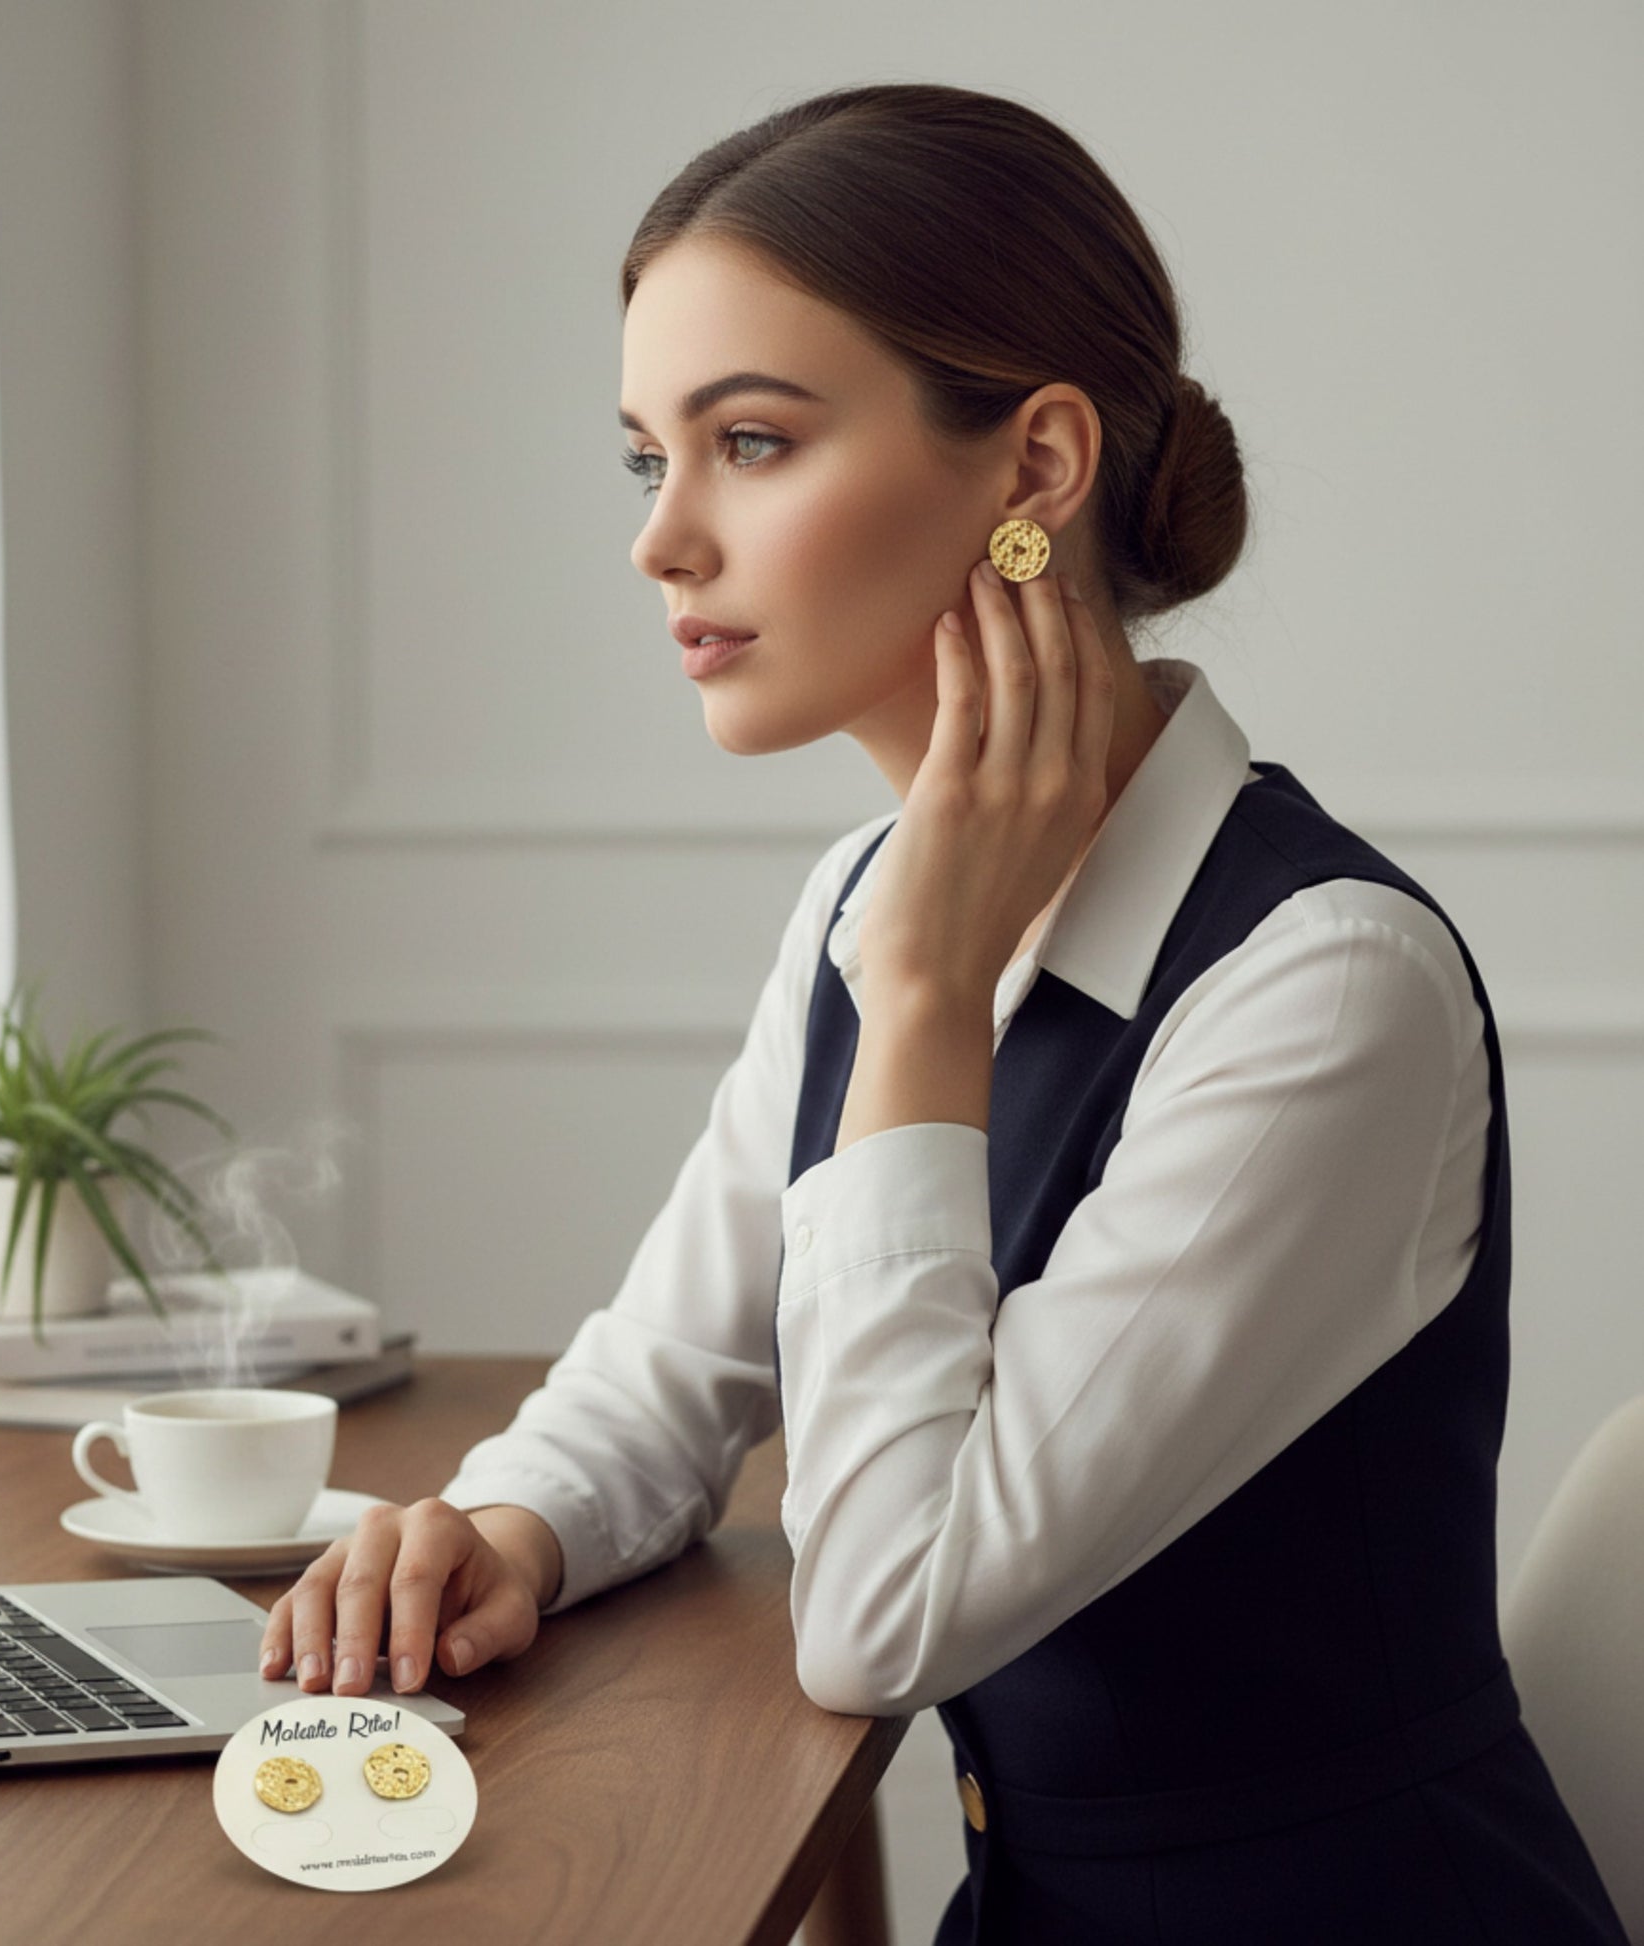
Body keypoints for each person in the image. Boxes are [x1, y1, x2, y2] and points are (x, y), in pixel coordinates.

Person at [257, 83, 1628, 1942]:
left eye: (748, 441)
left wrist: (918, 995)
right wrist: (501, 1532)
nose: (663, 543)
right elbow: (672, 1373)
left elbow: (887, 1606)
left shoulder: (1322, 987)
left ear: (1033, 468)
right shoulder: (861, 896)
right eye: (645, 458)